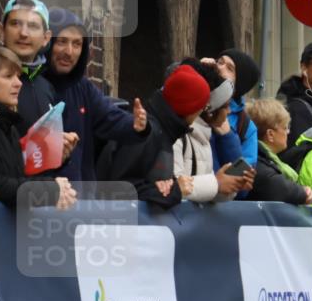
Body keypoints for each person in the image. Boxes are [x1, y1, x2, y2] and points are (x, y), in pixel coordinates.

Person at [43, 8, 147, 182]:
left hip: (80, 198)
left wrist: (136, 125)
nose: (69, 52)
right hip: (42, 196)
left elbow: (110, 117)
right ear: (46, 41)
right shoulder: (29, 86)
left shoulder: (84, 89)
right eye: (61, 41)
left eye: (77, 44)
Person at [101, 64, 210, 209]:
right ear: (189, 108)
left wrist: (162, 187)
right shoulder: (148, 133)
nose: (202, 111)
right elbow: (117, 187)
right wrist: (174, 191)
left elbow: (143, 182)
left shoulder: (163, 131)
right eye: (202, 106)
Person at [0, 46, 76, 209]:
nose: (18, 83)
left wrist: (52, 157)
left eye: (18, 76)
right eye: (8, 76)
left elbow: (16, 176)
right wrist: (50, 190)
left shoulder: (7, 124)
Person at [171, 60, 253, 203]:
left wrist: (231, 185)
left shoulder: (204, 136)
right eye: (226, 106)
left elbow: (207, 197)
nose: (229, 112)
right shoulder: (176, 136)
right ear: (210, 110)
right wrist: (216, 183)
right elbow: (172, 188)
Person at [1, 0, 56, 136]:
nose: (23, 33)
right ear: (1, 31)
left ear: (46, 38)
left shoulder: (47, 87)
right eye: (15, 24)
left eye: (33, 26)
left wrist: (63, 155)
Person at [244, 98, 312, 205]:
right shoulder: (257, 161)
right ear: (270, 134)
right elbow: (275, 187)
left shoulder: (262, 157)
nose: (289, 132)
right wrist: (303, 192)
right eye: (285, 127)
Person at [215, 49, 261, 168]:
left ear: (239, 84)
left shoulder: (246, 127)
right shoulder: (194, 95)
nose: (220, 67)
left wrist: (227, 136)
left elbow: (243, 177)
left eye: (229, 68)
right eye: (220, 62)